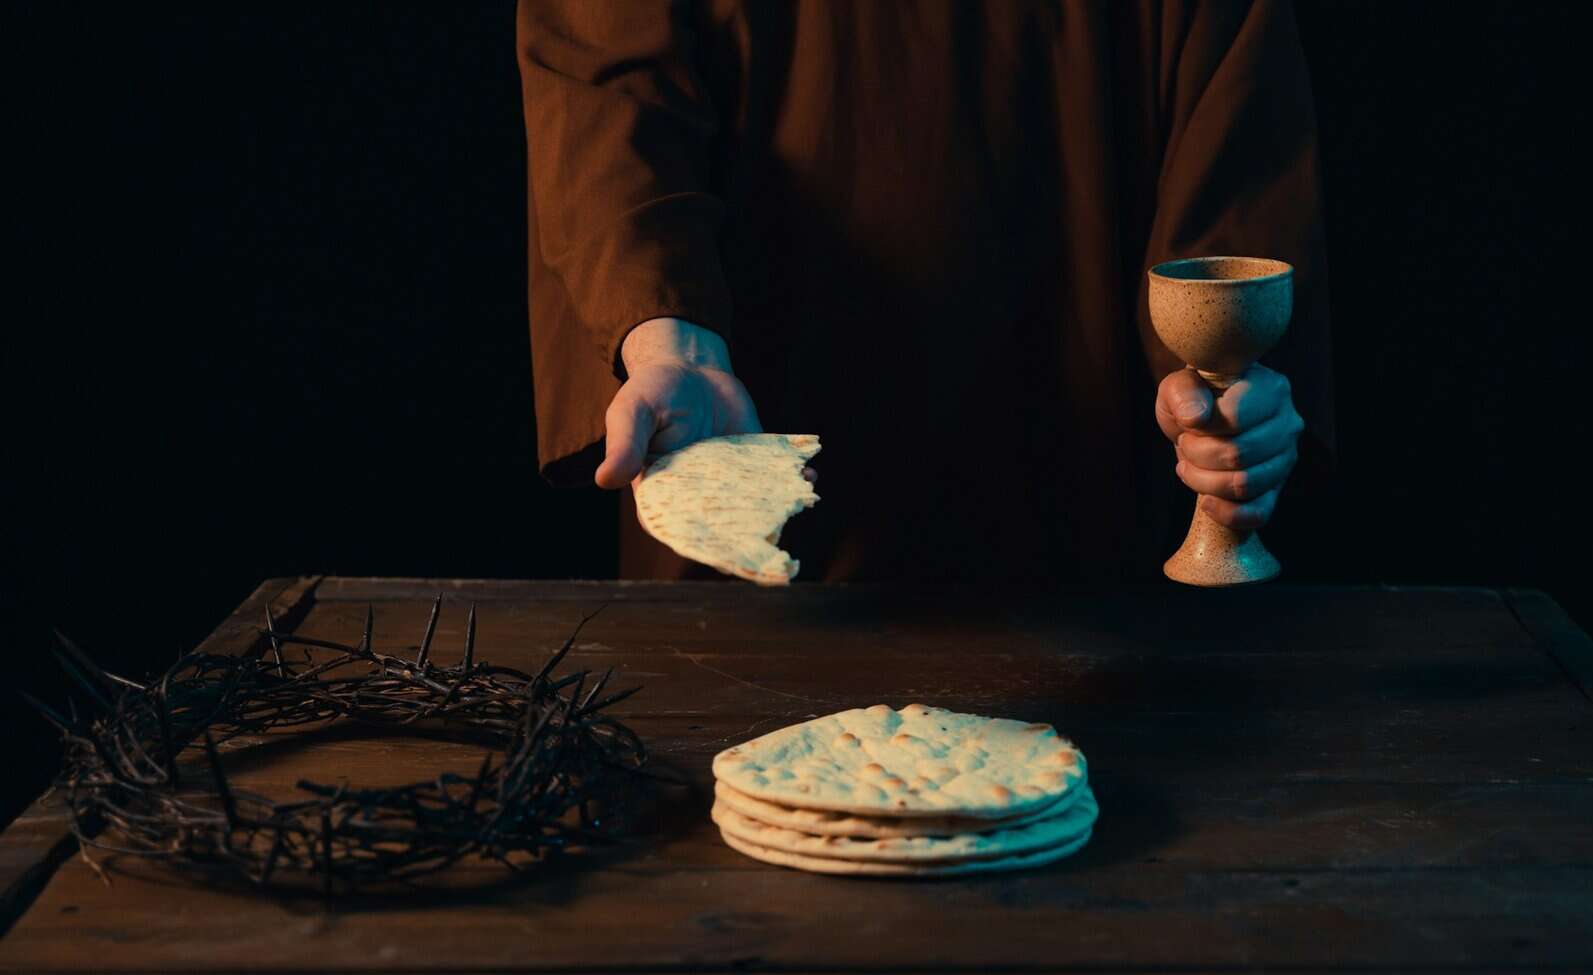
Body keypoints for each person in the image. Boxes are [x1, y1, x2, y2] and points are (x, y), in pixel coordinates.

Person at [517, 0, 1333, 584]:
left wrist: (1225, 389)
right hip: (742, 484)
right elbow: (606, 102)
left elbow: (1235, 152)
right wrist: (671, 341)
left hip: (1090, 543)